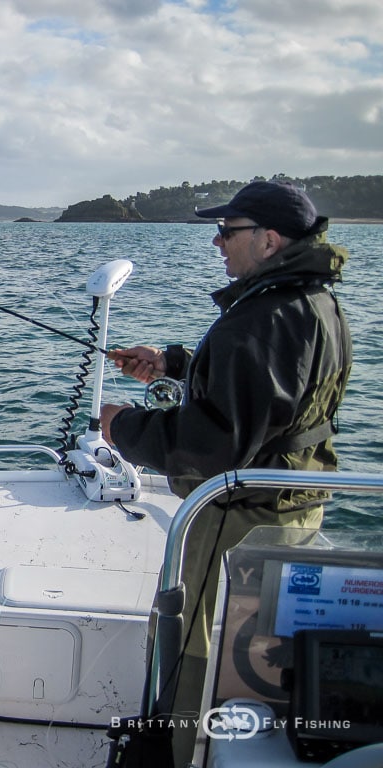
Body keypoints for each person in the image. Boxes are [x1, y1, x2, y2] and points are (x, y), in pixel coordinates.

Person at [99, 180, 352, 767]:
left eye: (228, 231)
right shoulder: (315, 302)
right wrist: (175, 366)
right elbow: (272, 403)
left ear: (268, 239)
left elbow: (210, 449)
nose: (217, 242)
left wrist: (123, 428)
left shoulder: (262, 316)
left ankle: (191, 754)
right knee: (255, 654)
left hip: (239, 521)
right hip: (289, 508)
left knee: (203, 655)